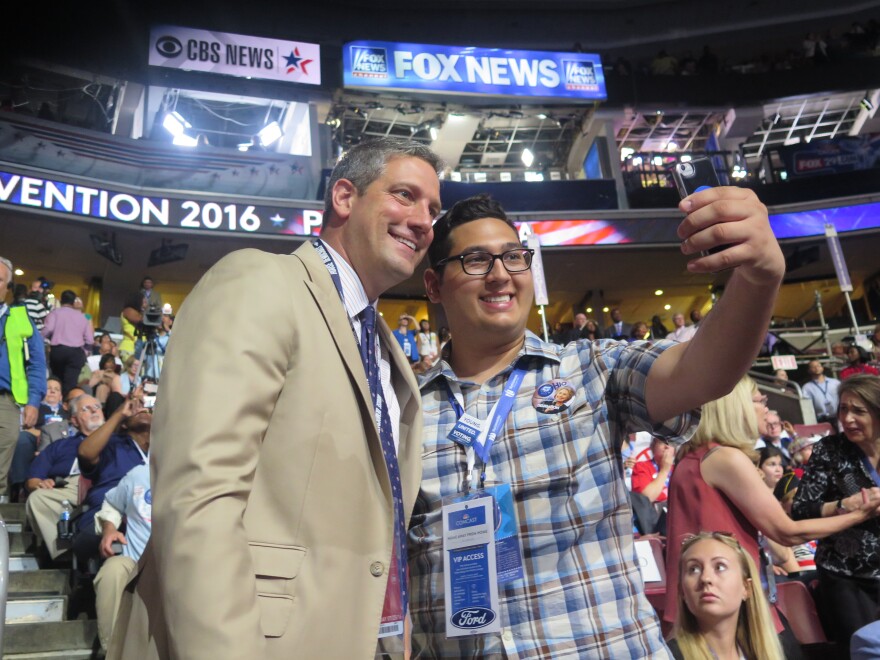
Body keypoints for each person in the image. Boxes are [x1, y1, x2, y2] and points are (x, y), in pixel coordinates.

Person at [410, 183, 788, 657]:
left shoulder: (593, 368)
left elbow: (704, 371)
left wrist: (759, 277)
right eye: (476, 260)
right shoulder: (403, 413)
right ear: (433, 285)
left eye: (514, 257)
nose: (500, 275)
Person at [109, 137, 443, 660]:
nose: (423, 220)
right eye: (405, 195)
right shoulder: (261, 281)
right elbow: (200, 499)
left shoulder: (381, 344)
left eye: (433, 209)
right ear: (343, 197)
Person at [664, 375, 880, 648]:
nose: (767, 408)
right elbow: (786, 531)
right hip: (724, 601)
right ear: (737, 406)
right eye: (760, 400)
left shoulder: (695, 457)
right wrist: (860, 513)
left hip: (705, 599)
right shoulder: (725, 458)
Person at [791, 374, 880, 644]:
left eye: (858, 411)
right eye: (843, 409)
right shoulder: (830, 451)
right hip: (846, 578)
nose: (848, 418)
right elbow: (801, 509)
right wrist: (844, 506)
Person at [668, 532, 783, 660]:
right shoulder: (667, 656)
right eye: (694, 569)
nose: (705, 578)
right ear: (682, 591)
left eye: (720, 567)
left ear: (746, 587)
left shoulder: (761, 654)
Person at [0, 256, 47, 498]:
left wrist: (33, 401)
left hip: (5, 403)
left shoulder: (21, 319)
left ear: (8, 288)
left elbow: (37, 364)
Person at [93, 462, 151, 651]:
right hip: (137, 565)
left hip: (184, 567)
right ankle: (114, 651)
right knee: (113, 569)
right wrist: (109, 530)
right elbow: (111, 503)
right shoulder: (140, 474)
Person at [42, 289, 94, 395]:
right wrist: (85, 351)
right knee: (70, 384)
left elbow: (48, 329)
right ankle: (68, 405)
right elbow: (90, 339)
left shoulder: (55, 313)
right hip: (75, 353)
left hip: (58, 351)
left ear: (61, 300)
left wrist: (39, 339)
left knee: (57, 380)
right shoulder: (84, 317)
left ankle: (56, 404)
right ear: (74, 302)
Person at [632, 436, 675, 504]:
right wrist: (664, 471)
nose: (667, 446)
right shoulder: (641, 467)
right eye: (662, 442)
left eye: (671, 443)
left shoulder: (678, 469)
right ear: (653, 446)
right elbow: (645, 498)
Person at [801, 359, 840, 426]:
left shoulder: (835, 382)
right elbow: (807, 407)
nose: (816, 368)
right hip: (821, 420)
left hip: (838, 417)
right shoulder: (807, 387)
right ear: (809, 370)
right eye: (813, 367)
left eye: (818, 365)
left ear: (822, 368)